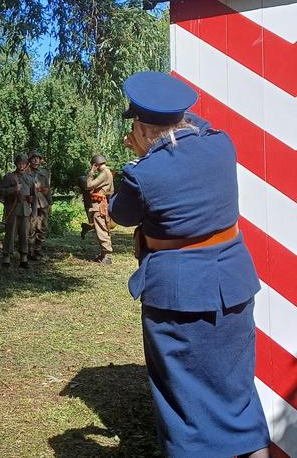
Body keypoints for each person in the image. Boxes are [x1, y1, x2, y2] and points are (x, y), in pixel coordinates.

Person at [109, 71, 270, 458]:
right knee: (239, 398)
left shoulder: (141, 173)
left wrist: (146, 152)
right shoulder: (222, 146)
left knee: (185, 410)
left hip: (178, 297)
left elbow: (121, 214)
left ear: (143, 129)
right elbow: (199, 126)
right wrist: (166, 130)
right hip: (232, 284)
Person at [0, 153, 35, 269]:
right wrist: (13, 189)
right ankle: (6, 258)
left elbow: (34, 196)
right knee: (10, 233)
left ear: (26, 164)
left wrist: (34, 212)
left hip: (25, 210)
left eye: (23, 163)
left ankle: (24, 258)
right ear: (16, 164)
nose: (21, 165)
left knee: (24, 234)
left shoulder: (30, 178)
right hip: (13, 208)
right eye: (19, 163)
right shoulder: (9, 177)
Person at [81, 154, 114, 264]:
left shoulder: (104, 173)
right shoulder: (108, 173)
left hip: (99, 206)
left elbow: (88, 185)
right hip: (102, 204)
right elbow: (111, 190)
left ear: (95, 164)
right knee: (102, 228)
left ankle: (107, 255)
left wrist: (91, 173)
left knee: (101, 230)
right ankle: (104, 254)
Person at [27, 150, 52, 259]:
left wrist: (50, 203)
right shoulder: (26, 172)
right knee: (31, 228)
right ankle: (29, 250)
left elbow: (48, 189)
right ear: (29, 160)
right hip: (31, 204)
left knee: (43, 227)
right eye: (33, 158)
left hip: (43, 203)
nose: (36, 160)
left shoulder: (44, 173)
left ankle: (38, 249)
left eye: (38, 158)